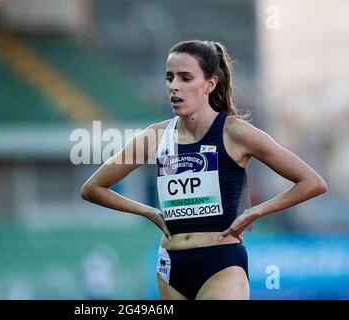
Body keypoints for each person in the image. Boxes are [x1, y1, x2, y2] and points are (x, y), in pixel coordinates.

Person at [80, 40, 327, 300]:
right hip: (171, 265)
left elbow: (312, 182)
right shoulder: (155, 136)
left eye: (186, 78)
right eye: (169, 78)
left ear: (210, 83)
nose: (174, 86)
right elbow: (93, 188)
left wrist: (254, 212)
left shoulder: (235, 133)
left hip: (221, 264)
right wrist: (150, 212)